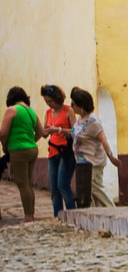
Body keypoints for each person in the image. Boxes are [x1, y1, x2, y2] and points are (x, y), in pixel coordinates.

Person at [68, 88, 117, 208]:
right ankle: (100, 215)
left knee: (96, 190)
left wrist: (111, 156)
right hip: (81, 162)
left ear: (81, 106)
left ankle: (112, 210)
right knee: (90, 193)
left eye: (73, 104)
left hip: (92, 163)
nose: (71, 106)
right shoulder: (80, 120)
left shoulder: (93, 121)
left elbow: (103, 138)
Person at [5, 87, 44, 221]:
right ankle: (30, 214)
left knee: (22, 183)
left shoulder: (12, 110)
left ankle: (28, 216)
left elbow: (3, 133)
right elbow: (41, 132)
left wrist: (5, 146)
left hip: (18, 150)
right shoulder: (31, 112)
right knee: (27, 183)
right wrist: (30, 141)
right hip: (32, 150)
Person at [40, 84, 74, 218]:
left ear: (57, 98)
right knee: (54, 189)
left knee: (63, 185)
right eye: (47, 102)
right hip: (52, 152)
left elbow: (74, 131)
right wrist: (44, 131)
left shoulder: (68, 110)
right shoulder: (48, 113)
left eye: (50, 101)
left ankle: (72, 214)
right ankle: (58, 217)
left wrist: (58, 130)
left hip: (65, 152)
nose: (49, 104)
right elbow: (45, 133)